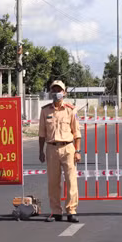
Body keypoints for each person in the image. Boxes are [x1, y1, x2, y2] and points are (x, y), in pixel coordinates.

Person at [38, 80, 82, 223]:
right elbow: (42, 134)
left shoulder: (70, 110)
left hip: (68, 148)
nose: (57, 92)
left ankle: (71, 211)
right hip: (51, 148)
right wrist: (41, 151)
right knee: (53, 182)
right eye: (54, 90)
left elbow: (77, 132)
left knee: (71, 181)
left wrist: (77, 151)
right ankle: (56, 212)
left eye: (59, 90)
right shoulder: (45, 111)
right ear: (51, 92)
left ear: (64, 92)